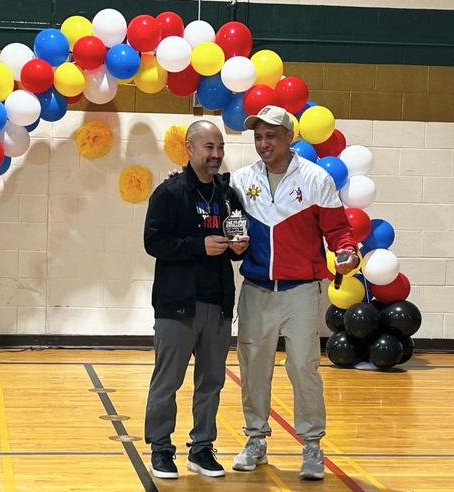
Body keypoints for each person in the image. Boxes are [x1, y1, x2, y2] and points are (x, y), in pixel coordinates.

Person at [228, 106, 359, 480]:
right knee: (253, 367)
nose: (263, 143)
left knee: (303, 367)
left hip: (301, 290)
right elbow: (226, 214)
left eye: (271, 136)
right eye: (258, 137)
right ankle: (256, 440)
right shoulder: (240, 180)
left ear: (290, 138)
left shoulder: (316, 179)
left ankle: (312, 446)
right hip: (255, 289)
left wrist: (346, 252)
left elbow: (338, 231)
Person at [142, 120, 250, 479]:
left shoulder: (228, 194)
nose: (216, 155)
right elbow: (153, 243)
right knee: (167, 380)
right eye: (209, 148)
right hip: (176, 305)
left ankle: (201, 448)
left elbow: (236, 240)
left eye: (220, 148)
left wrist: (239, 247)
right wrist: (196, 245)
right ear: (189, 149)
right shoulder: (169, 193)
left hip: (218, 304)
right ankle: (161, 448)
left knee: (211, 381)